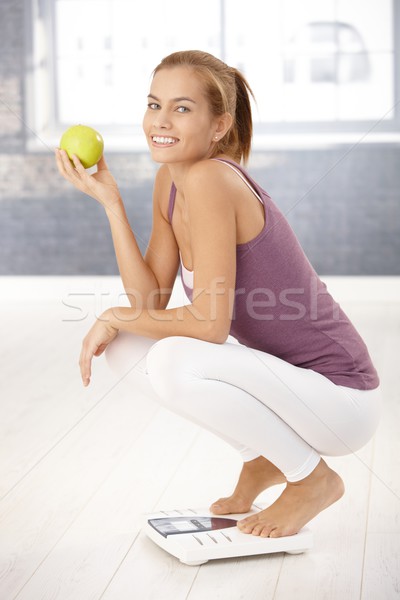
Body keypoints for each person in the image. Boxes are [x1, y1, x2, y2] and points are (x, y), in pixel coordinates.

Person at [55, 50, 381, 539]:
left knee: (170, 360)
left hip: (339, 401)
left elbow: (209, 325)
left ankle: (313, 480)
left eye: (182, 108)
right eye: (153, 104)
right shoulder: (171, 181)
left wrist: (115, 313)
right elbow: (150, 307)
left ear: (219, 124)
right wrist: (111, 203)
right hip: (291, 390)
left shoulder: (212, 179)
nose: (160, 121)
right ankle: (263, 460)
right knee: (125, 347)